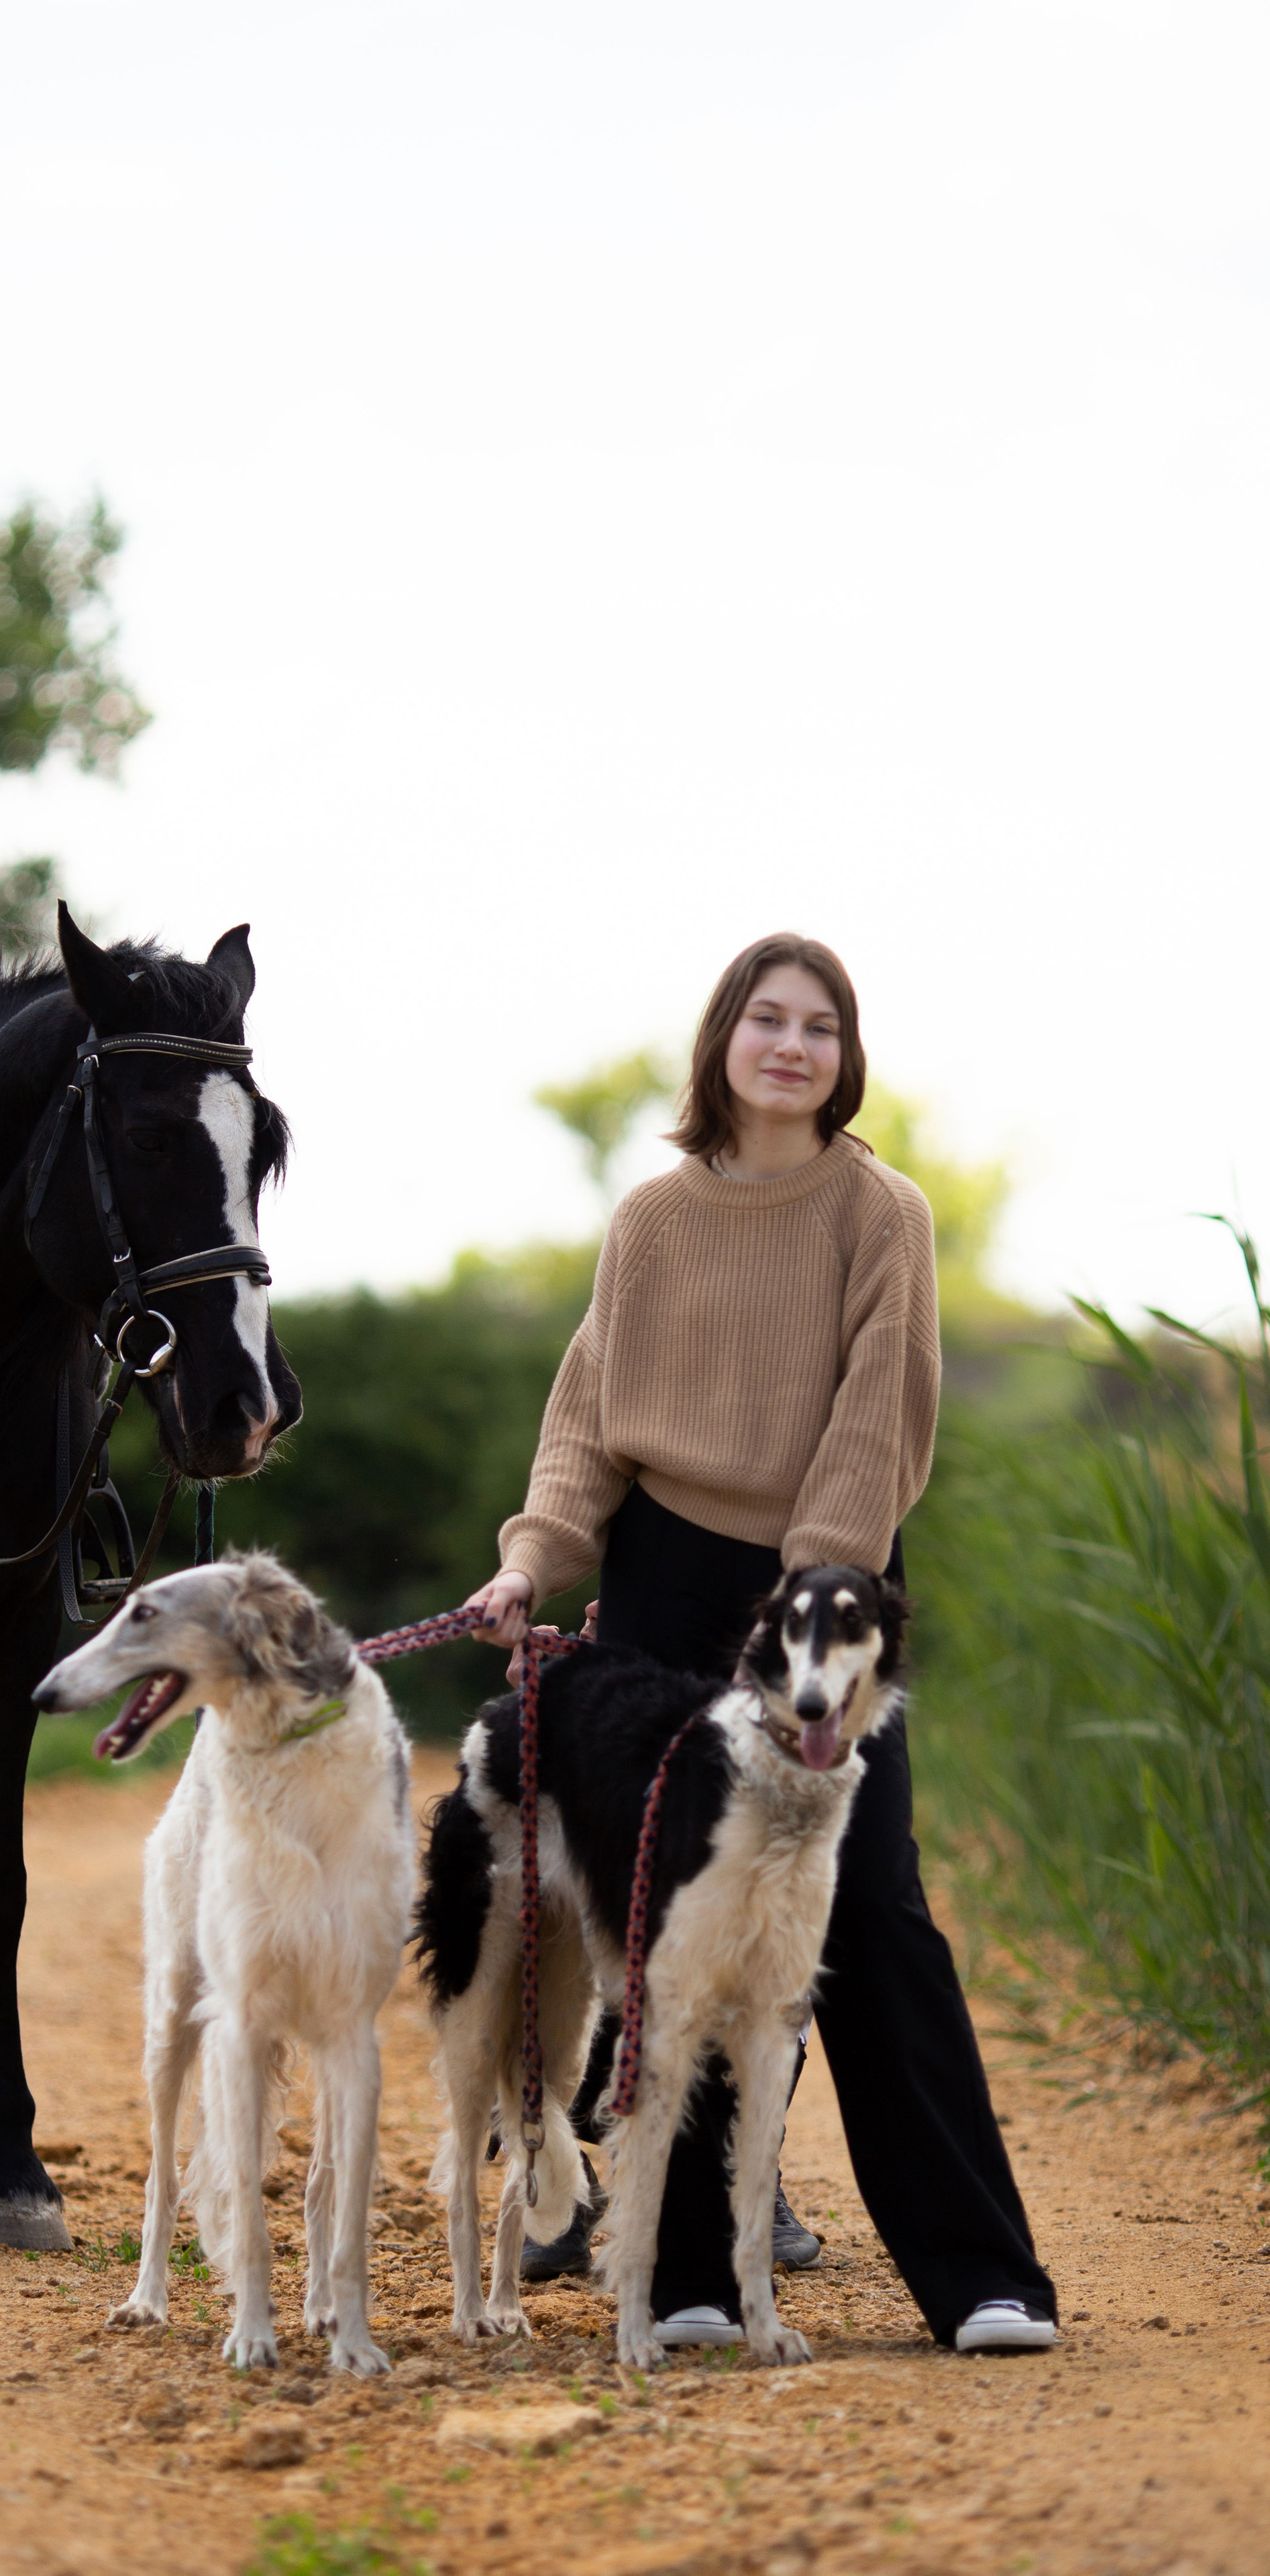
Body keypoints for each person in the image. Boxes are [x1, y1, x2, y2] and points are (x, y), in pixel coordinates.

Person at [466, 932, 1055, 2356]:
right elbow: (586, 1419)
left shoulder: (881, 1213)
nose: (790, 1046)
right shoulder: (650, 1222)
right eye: (766, 1020)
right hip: (665, 1589)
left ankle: (980, 2275)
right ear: (721, 1039)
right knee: (686, 1926)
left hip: (825, 1597)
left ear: (842, 1059)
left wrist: (811, 1598)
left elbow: (877, 1415)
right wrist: (528, 1561)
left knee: (872, 1915)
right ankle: (682, 2280)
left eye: (819, 1027)